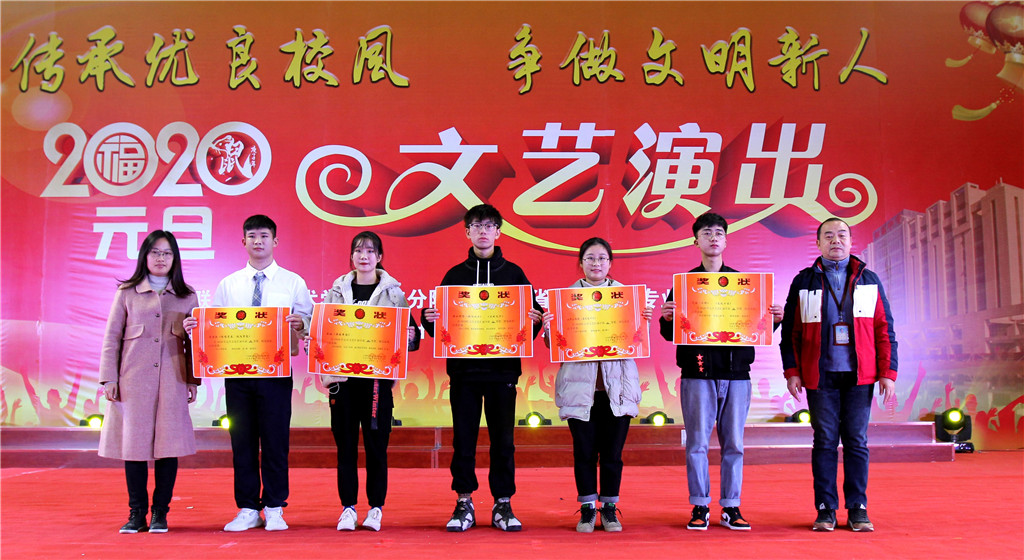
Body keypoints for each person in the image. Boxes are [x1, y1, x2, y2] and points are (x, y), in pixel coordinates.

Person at [185, 215, 313, 532]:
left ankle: (274, 507)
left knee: (275, 440)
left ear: (275, 241)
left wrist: (302, 324)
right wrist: (196, 329)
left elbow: (311, 325)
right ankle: (247, 508)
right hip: (238, 374)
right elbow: (215, 327)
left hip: (276, 374)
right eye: (252, 236)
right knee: (242, 440)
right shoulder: (229, 284)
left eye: (264, 235)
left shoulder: (293, 282)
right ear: (243, 242)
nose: (258, 241)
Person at [421, 204, 543, 532]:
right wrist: (428, 319)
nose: (483, 231)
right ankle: (464, 501)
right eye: (476, 226)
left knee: (503, 440)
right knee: (464, 439)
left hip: (503, 372)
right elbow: (439, 324)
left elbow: (532, 320)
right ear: (467, 233)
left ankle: (503, 502)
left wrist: (534, 320)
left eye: (489, 226)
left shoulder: (514, 275)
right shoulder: (454, 275)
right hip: (464, 373)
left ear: (498, 232)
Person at [659, 212, 782, 531]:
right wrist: (667, 318)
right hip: (697, 374)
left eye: (718, 233)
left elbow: (757, 329)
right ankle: (700, 505)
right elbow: (669, 333)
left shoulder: (746, 287)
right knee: (697, 443)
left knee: (734, 444)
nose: (713, 238)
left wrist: (774, 320)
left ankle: (731, 506)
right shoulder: (684, 286)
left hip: (737, 374)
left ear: (726, 240)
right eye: (706, 233)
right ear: (695, 241)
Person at [780, 217, 897, 532]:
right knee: (825, 441)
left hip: (860, 376)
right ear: (818, 243)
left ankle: (858, 508)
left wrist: (888, 372)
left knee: (857, 441)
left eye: (842, 235)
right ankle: (825, 509)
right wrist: (792, 371)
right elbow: (790, 332)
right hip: (820, 376)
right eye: (829, 236)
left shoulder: (869, 279)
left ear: (851, 241)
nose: (836, 241)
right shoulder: (803, 281)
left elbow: (884, 329)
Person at [542, 238, 650, 533]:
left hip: (619, 390)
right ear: (581, 263)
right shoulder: (565, 300)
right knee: (584, 453)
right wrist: (550, 328)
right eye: (590, 258)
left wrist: (643, 321)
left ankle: (610, 509)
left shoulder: (628, 299)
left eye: (602, 258)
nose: (596, 263)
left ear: (610, 263)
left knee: (613, 454)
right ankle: (588, 509)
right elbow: (555, 347)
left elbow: (638, 341)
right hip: (580, 390)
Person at [319, 231, 421, 531]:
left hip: (377, 382)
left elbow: (410, 338)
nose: (363, 256)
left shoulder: (394, 294)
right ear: (351, 256)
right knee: (346, 447)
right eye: (358, 251)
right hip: (343, 381)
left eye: (370, 251)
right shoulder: (336, 292)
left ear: (379, 257)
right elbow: (323, 333)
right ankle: (348, 508)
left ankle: (376, 508)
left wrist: (410, 336)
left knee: (377, 447)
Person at [99, 230, 199, 534]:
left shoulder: (187, 295)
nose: (161, 258)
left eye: (167, 253)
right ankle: (136, 513)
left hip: (173, 380)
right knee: (134, 446)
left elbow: (195, 344)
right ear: (145, 256)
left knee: (169, 445)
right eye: (155, 252)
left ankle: (160, 513)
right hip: (133, 381)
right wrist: (109, 378)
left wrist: (193, 379)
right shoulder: (127, 292)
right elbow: (112, 337)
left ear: (175, 258)